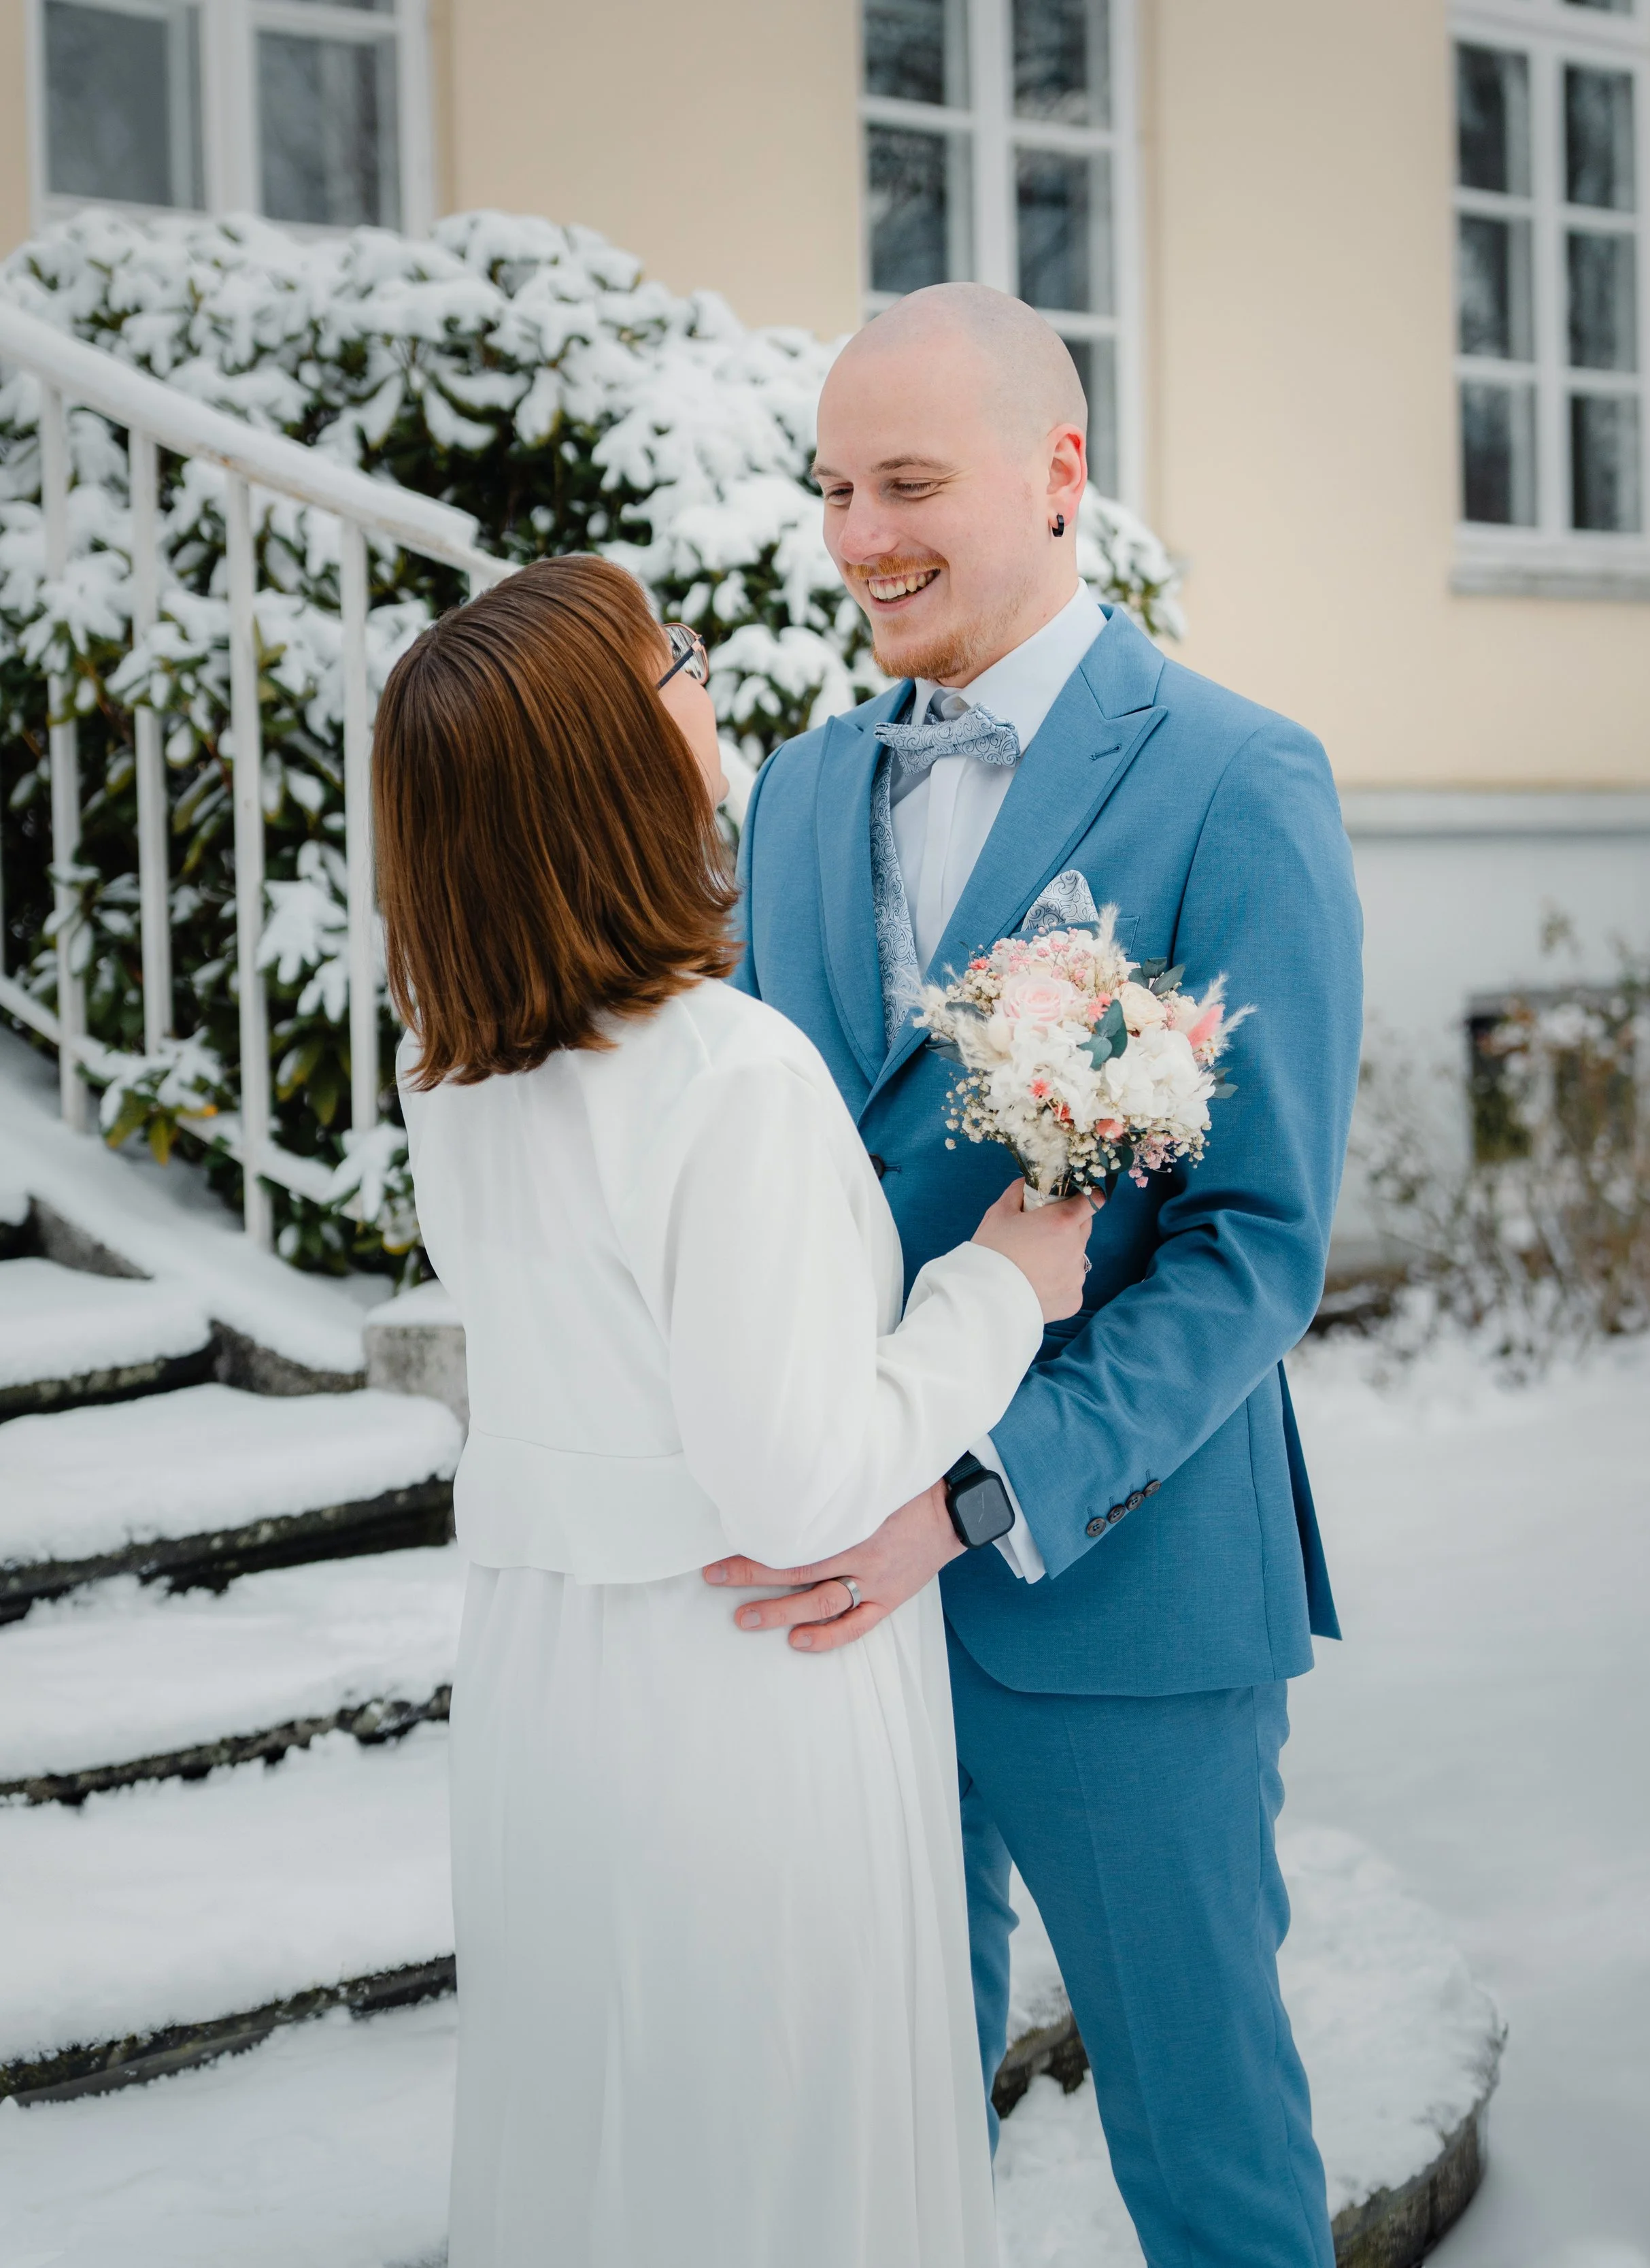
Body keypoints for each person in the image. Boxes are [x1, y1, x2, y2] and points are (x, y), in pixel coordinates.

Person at [712, 282, 1364, 2268]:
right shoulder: (804, 791)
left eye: (905, 482)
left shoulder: (1237, 776)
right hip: (842, 1612)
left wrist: (975, 1495)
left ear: (1058, 473)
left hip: (1122, 1596)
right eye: (832, 488)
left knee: (1207, 2151)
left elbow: (1255, 1244)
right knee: (886, 2142)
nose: (855, 537)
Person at [372, 552, 1095, 2268]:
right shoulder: (727, 1072)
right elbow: (799, 1474)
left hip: (555, 1677)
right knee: (775, 2144)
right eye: (673, 663)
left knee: (607, 2124)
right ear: (612, 763)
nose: (704, 685)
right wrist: (998, 1287)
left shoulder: (457, 1073)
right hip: (741, 1685)